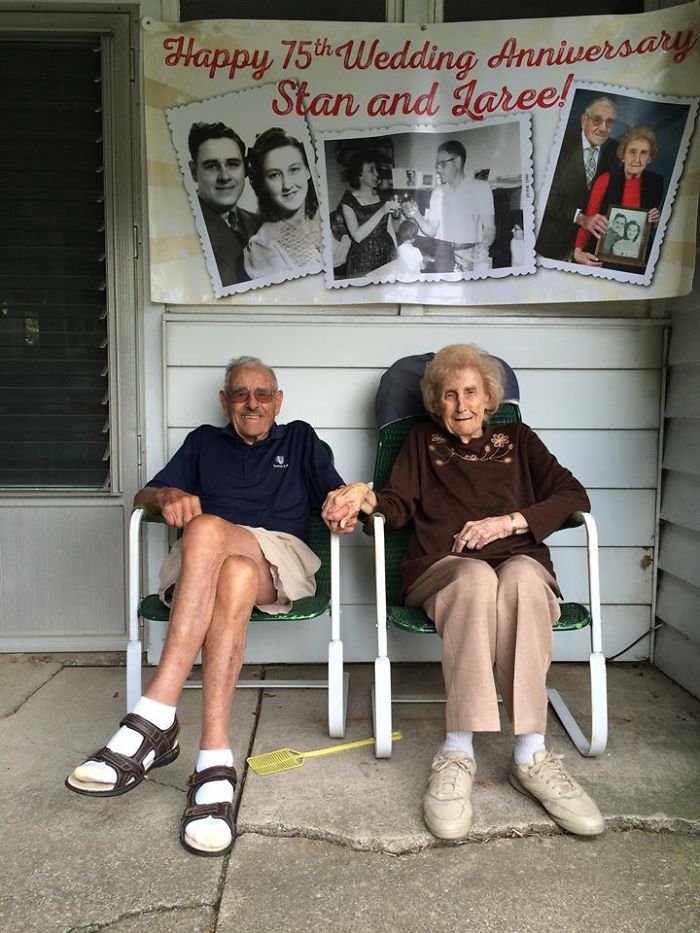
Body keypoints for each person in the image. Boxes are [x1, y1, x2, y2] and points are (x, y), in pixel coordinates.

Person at [323, 344, 604, 841]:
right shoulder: (420, 441)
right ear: (435, 402)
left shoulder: (520, 439)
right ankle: (458, 749)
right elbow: (396, 505)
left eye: (470, 391)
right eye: (448, 394)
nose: (460, 404)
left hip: (518, 561)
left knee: (518, 579)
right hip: (445, 568)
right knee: (476, 578)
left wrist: (509, 522)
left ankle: (530, 754)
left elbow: (572, 496)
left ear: (490, 397)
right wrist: (364, 497)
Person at [66, 357, 344, 857]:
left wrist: (351, 501)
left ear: (278, 402)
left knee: (210, 528)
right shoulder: (201, 442)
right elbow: (143, 494)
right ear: (225, 402)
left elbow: (335, 496)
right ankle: (214, 755)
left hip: (277, 556)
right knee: (229, 571)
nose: (252, 403)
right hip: (210, 567)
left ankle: (155, 715)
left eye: (263, 394)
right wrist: (167, 495)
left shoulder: (301, 439)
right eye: (241, 394)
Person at [535, 96, 618, 261]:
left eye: (609, 122)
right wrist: (581, 218)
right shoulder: (556, 144)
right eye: (598, 120)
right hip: (552, 245)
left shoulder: (617, 150)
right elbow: (544, 194)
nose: (603, 128)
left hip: (590, 248)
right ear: (584, 120)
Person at [573, 127, 662, 269]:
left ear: (650, 158)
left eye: (644, 153)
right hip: (600, 257)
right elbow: (589, 219)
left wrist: (656, 222)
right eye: (632, 152)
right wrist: (578, 251)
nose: (637, 160)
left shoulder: (656, 183)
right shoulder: (606, 179)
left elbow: (645, 229)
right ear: (623, 155)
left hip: (636, 260)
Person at [244, 128, 323, 280]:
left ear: (307, 171)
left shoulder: (320, 221)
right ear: (263, 184)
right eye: (274, 175)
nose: (287, 185)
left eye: (294, 169)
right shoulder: (263, 246)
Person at [188, 122, 261, 287]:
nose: (224, 176)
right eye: (212, 166)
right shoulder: (184, 231)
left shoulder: (261, 224)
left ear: (245, 169)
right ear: (194, 172)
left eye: (233, 164)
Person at [406, 140, 495, 273]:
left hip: (472, 257)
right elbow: (431, 230)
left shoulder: (481, 188)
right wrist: (416, 215)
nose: (438, 169)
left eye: (442, 164)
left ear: (457, 162)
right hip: (443, 256)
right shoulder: (437, 192)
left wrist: (484, 245)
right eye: (437, 165)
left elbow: (489, 227)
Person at [340, 148, 399, 277]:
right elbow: (357, 236)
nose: (377, 174)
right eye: (371, 170)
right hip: (363, 262)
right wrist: (382, 210)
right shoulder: (348, 202)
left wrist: (398, 254)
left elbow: (389, 228)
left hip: (387, 257)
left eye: (376, 169)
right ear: (360, 174)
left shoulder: (383, 197)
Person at [329, 208, 351, 277]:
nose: (348, 225)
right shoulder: (326, 241)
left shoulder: (348, 237)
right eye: (343, 224)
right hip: (331, 271)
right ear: (333, 226)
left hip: (345, 269)